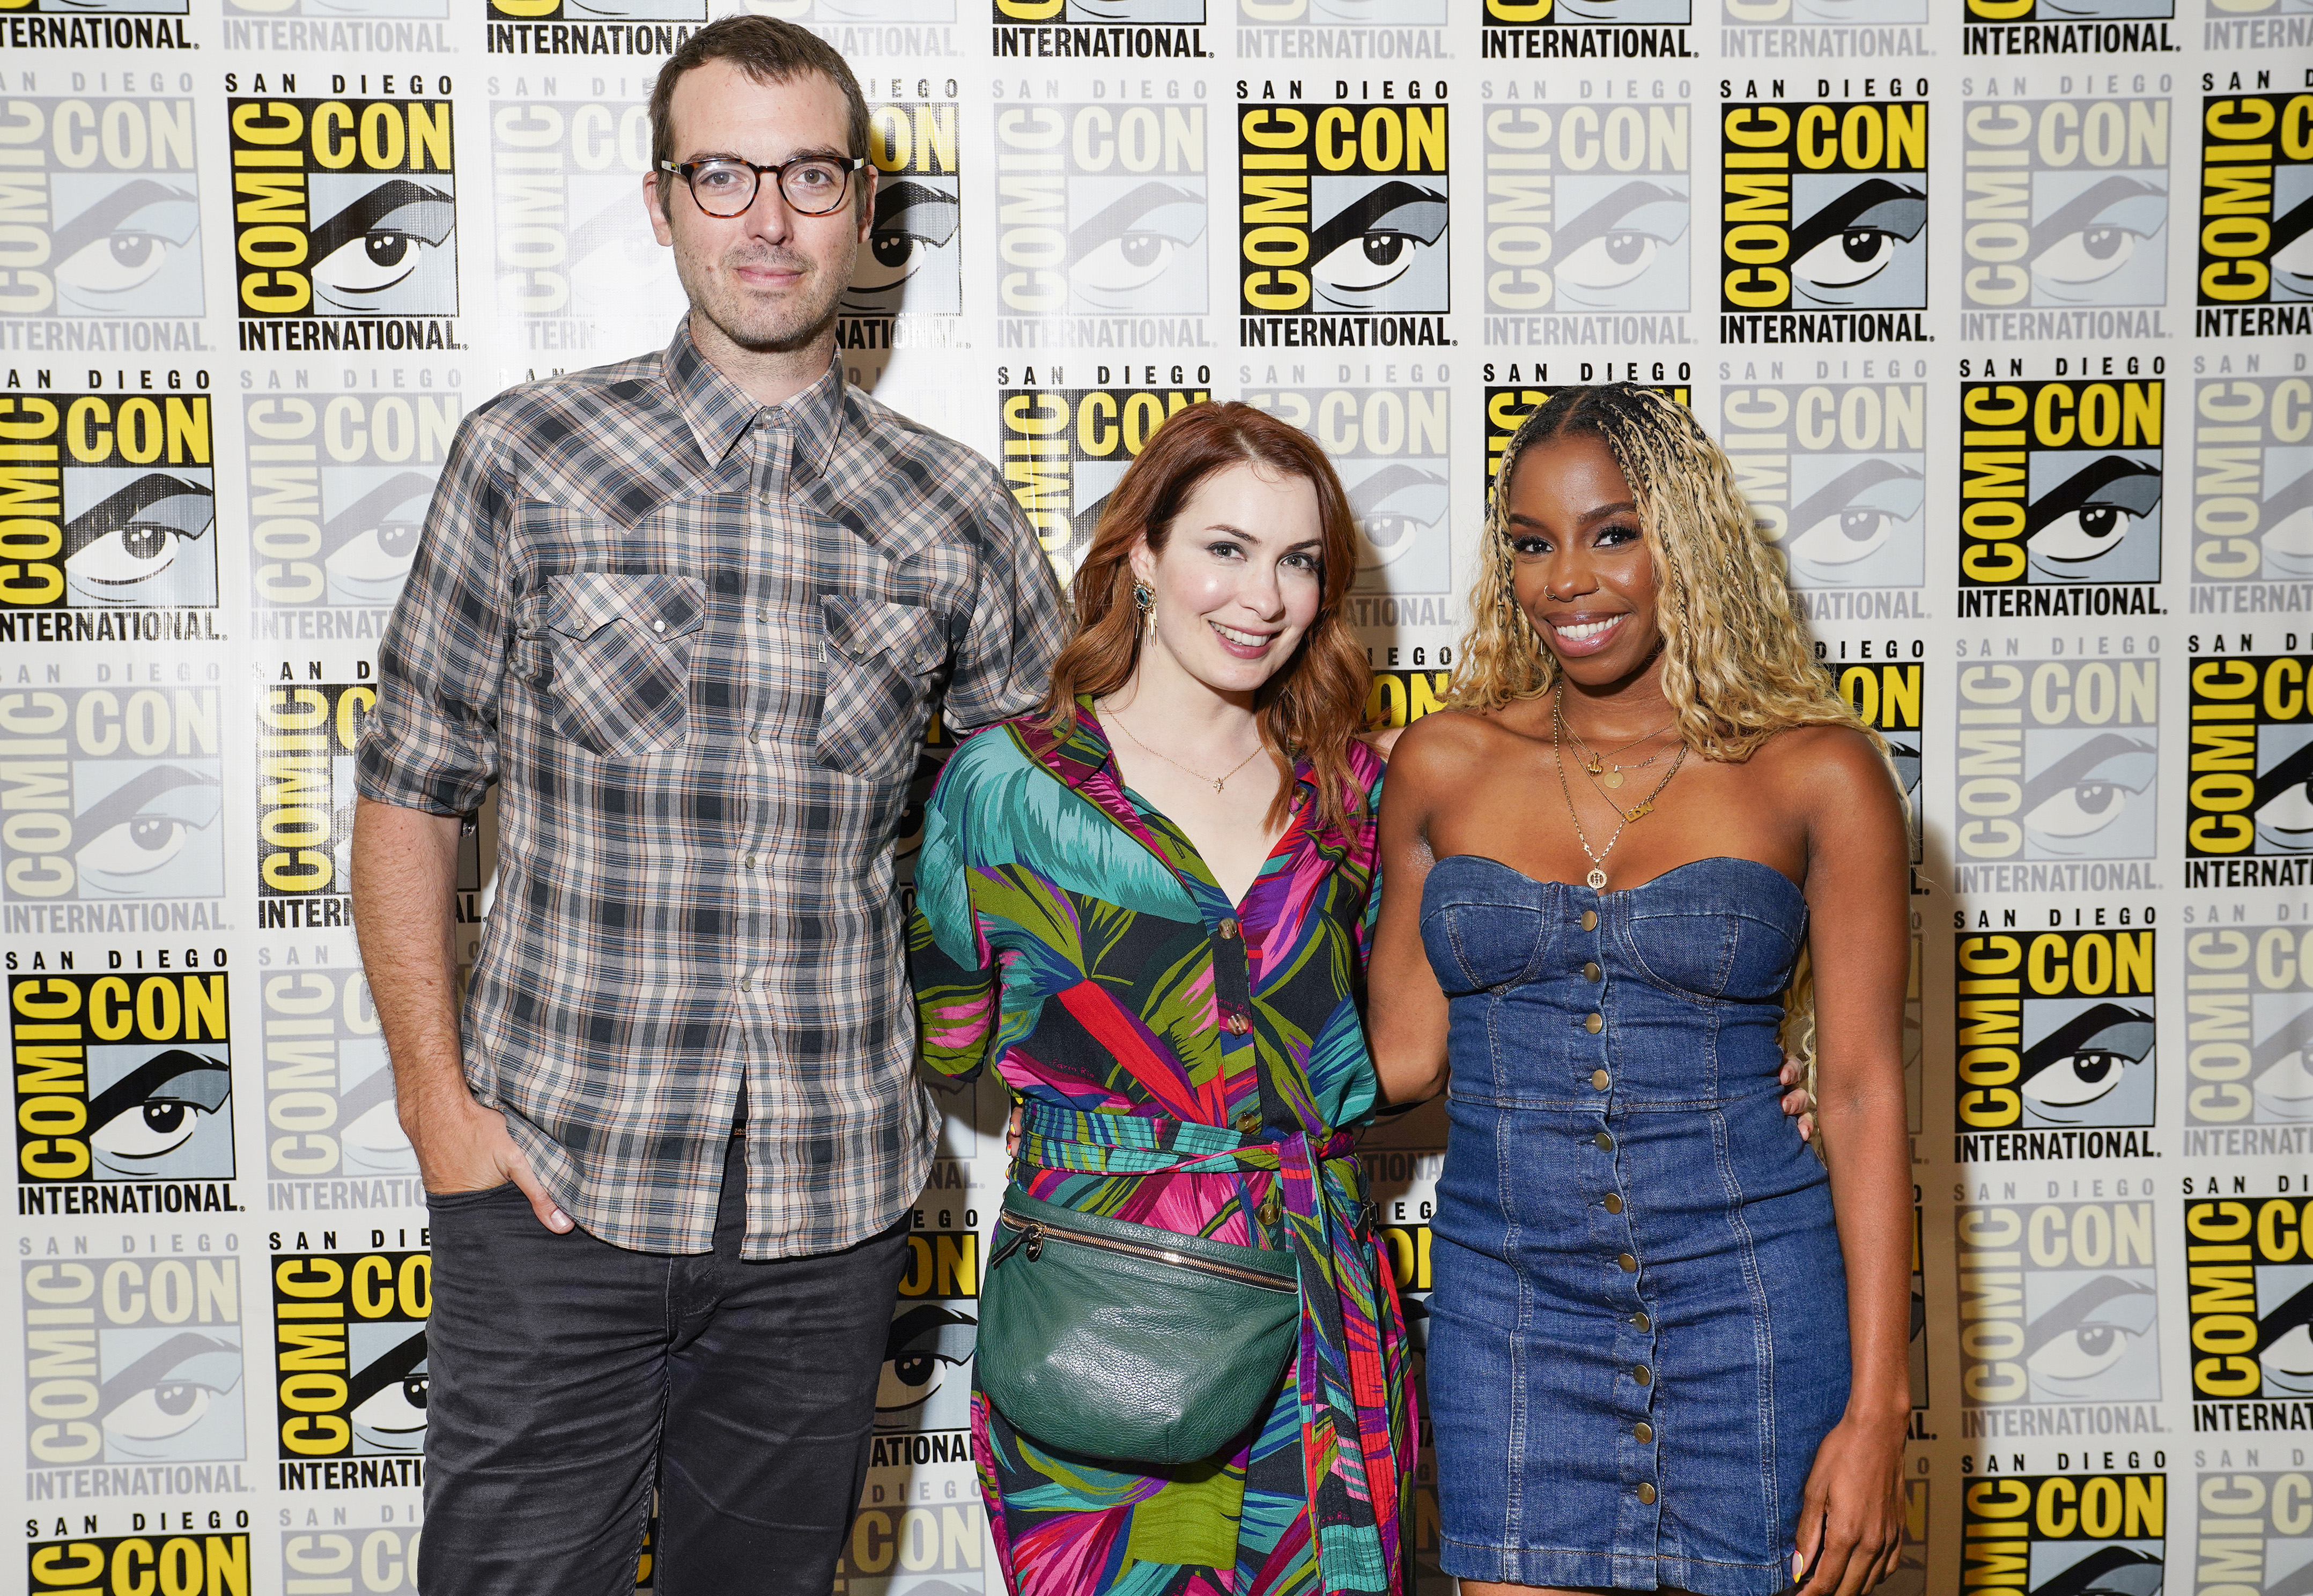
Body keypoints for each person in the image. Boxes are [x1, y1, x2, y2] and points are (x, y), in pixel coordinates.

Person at [346, 17, 1069, 1594]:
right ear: (662, 199)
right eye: (723, 173)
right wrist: (434, 1108)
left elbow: (1063, 812)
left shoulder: (952, 506)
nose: (767, 219)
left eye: (808, 175)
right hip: (552, 1180)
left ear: (863, 203)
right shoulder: (525, 457)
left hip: (831, 1200)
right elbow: (409, 792)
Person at [1366, 384, 1912, 1596]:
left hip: (1755, 1299)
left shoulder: (1817, 772)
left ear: (1689, 543)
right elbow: (1393, 1060)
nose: (1569, 579)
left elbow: (1867, 1092)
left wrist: (1882, 1411)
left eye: (1613, 532)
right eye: (1532, 542)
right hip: (1512, 1308)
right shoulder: (1445, 763)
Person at [906, 401, 1417, 1594]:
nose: (1265, 597)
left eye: (1299, 561)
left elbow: (1425, 1031)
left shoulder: (1356, 790)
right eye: (1225, 549)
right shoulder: (1005, 786)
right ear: (1140, 554)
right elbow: (950, 1039)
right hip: (1105, 1312)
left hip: (1319, 1315)